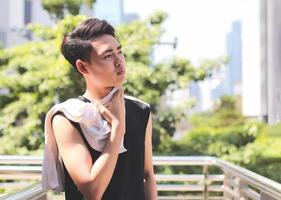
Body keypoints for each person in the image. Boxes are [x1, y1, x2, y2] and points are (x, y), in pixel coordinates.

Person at [49, 18, 157, 200]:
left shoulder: (140, 110)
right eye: (108, 56)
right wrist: (117, 129)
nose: (119, 61)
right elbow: (93, 191)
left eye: (119, 52)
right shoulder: (67, 118)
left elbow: (148, 175)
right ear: (83, 67)